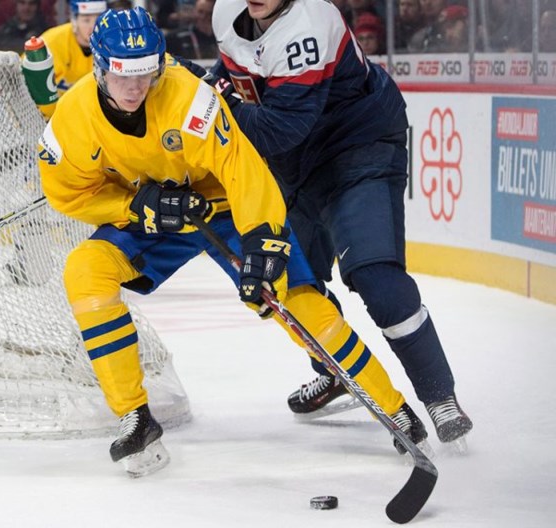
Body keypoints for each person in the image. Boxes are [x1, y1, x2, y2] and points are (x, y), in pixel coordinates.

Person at [38, 6, 428, 477]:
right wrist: (132, 206)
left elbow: (241, 169)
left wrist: (264, 242)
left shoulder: (190, 99)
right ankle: (135, 416)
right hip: (150, 215)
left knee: (296, 298)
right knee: (86, 270)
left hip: (223, 208)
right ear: (99, 68)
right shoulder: (73, 118)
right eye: (124, 75)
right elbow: (67, 194)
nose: (137, 88)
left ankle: (393, 408)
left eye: (147, 73)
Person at [210, 0, 473, 446]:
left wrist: (212, 109)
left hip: (356, 146)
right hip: (294, 163)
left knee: (374, 275)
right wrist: (210, 88)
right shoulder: (228, 11)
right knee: (295, 284)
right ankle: (334, 371)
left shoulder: (310, 25)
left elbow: (278, 128)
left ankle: (438, 395)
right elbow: (235, 68)